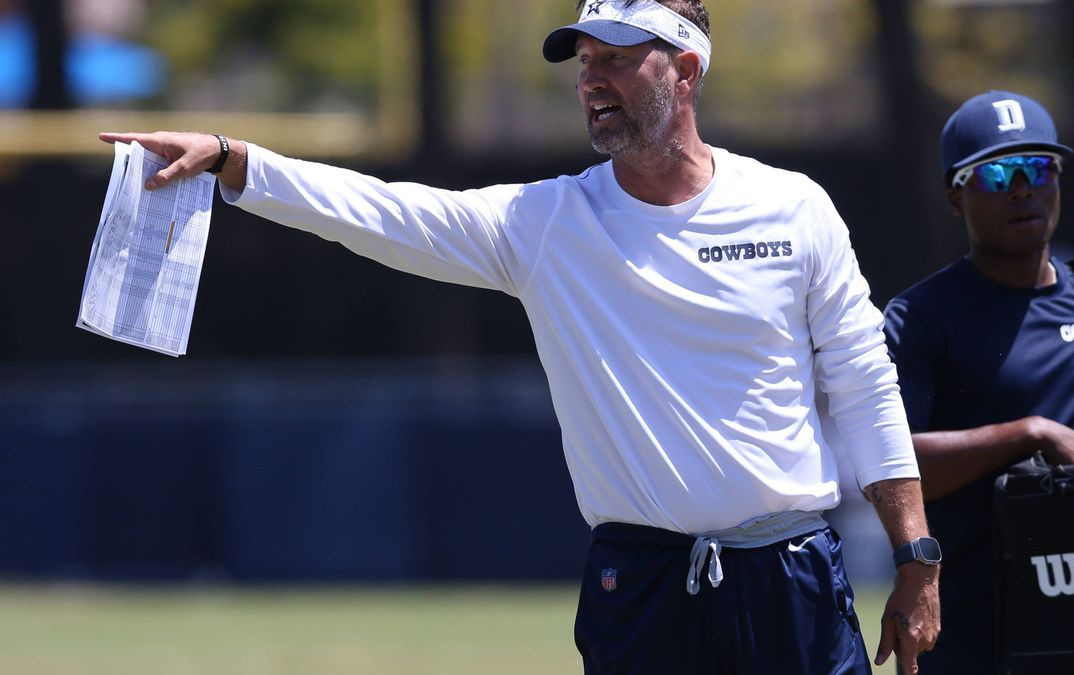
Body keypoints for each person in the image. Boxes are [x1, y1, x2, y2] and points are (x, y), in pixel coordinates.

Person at [102, 1, 940, 672]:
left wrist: (916, 555)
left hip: (789, 577)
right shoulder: (549, 222)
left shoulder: (794, 206)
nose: (592, 80)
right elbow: (385, 213)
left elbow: (865, 382)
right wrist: (230, 157)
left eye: (616, 56)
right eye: (584, 63)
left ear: (685, 69)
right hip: (641, 585)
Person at [883, 90, 1074, 674]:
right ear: (956, 196)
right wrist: (1025, 433)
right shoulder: (921, 317)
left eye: (1038, 167)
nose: (1023, 187)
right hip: (988, 635)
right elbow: (896, 466)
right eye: (998, 173)